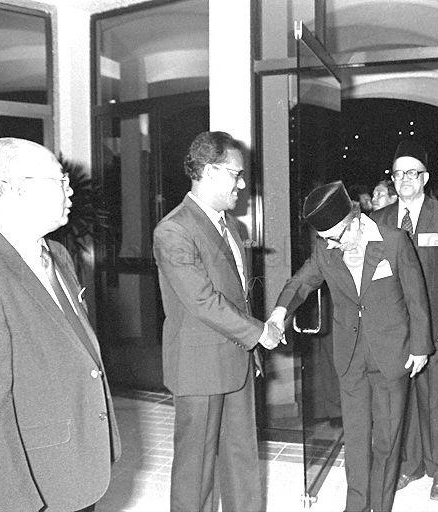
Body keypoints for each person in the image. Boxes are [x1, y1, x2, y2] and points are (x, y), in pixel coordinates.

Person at [0, 137, 120, 512]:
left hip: (74, 465)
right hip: (32, 483)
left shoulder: (57, 254)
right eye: (59, 180)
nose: (70, 191)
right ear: (19, 190)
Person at [269, 181, 432, 512]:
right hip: (350, 356)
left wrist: (420, 347)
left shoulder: (394, 242)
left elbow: (417, 298)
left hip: (392, 353)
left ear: (356, 219)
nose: (333, 246)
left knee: (386, 441)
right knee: (356, 441)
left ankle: (381, 506)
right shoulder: (327, 249)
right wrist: (279, 313)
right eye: (326, 239)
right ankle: (355, 506)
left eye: (337, 237)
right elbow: (299, 283)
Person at [153, 131, 284, 512]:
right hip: (198, 367)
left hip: (237, 360)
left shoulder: (233, 227)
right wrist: (260, 333)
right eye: (235, 174)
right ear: (208, 172)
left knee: (242, 461)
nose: (242, 184)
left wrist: (252, 343)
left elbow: (239, 294)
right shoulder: (174, 229)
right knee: (197, 472)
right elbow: (201, 300)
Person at [372, 140, 438, 501]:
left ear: (425, 177)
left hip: (437, 327)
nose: (404, 180)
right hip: (398, 329)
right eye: (398, 174)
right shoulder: (379, 220)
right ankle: (410, 465)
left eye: (411, 173)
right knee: (404, 398)